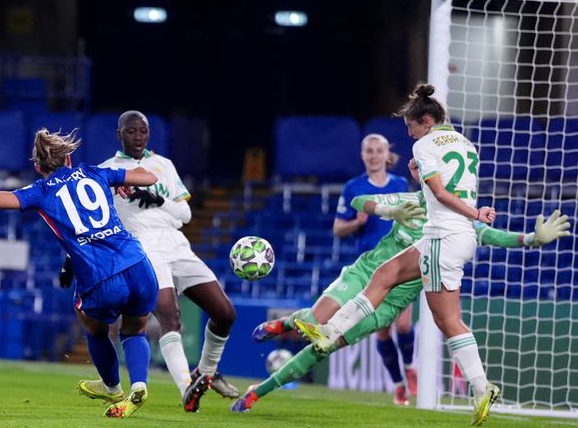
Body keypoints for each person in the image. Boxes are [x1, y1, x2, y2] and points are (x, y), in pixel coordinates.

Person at [234, 191, 570, 415]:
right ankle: (285, 324)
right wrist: (387, 209)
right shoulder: (411, 199)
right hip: (364, 273)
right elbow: (357, 201)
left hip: (388, 304)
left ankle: (257, 392)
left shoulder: (455, 224)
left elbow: (493, 236)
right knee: (319, 317)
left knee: (323, 347)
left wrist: (530, 239)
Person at [295, 83, 501, 426]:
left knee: (447, 321)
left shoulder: (425, 144)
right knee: (385, 275)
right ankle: (329, 331)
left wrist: (474, 213)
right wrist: (427, 183)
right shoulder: (466, 143)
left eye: (410, 126)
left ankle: (481, 388)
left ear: (425, 120)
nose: (408, 133)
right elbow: (442, 188)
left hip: (443, 236)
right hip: (456, 236)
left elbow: (439, 192)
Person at [0, 127, 159, 419]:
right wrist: (122, 182)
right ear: (69, 160)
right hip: (138, 264)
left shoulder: (41, 191)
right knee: (135, 330)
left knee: (91, 324)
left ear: (37, 167)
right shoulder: (96, 172)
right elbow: (150, 177)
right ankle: (139, 384)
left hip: (102, 275)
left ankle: (112, 388)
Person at [94, 110, 238, 412]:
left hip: (177, 245)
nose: (138, 137)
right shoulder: (106, 171)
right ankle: (187, 389)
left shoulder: (164, 165)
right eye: (131, 131)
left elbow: (185, 215)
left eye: (143, 131)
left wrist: (157, 200)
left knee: (225, 313)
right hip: (142, 248)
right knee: (170, 318)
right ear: (119, 134)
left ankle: (205, 372)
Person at [334, 133, 416, 404]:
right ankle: (398, 384)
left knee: (404, 324)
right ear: (363, 155)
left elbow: (412, 217)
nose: (373, 155)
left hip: (400, 261)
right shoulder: (353, 187)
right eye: (369, 151)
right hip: (370, 266)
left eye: (378, 150)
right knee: (382, 330)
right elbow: (338, 229)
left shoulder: (401, 184)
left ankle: (410, 367)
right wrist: (356, 223)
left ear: (385, 154)